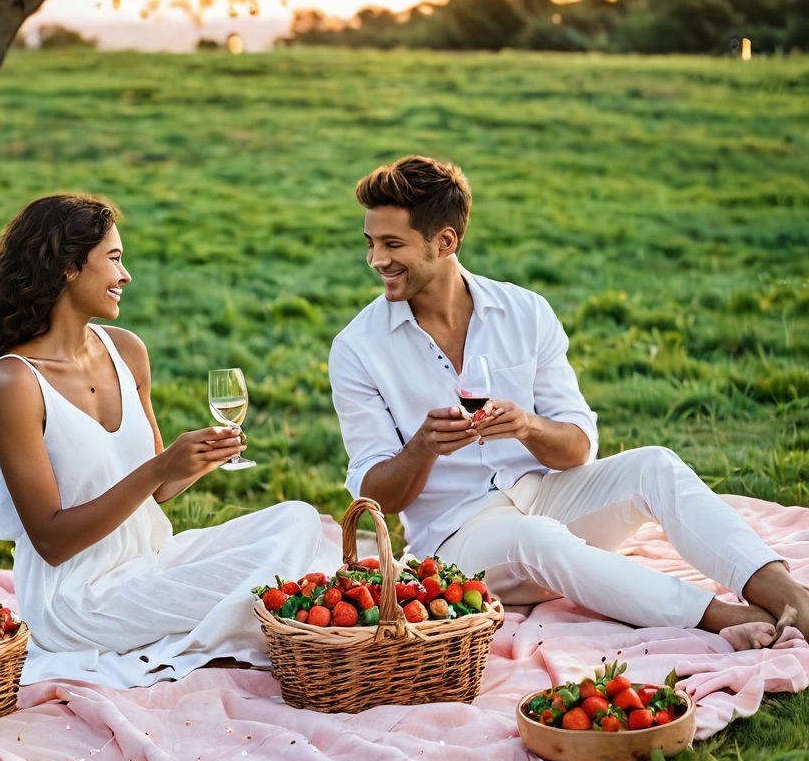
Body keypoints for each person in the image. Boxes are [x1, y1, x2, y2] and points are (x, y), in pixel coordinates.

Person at [329, 155, 803, 650]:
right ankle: (717, 615)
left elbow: (578, 449)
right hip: (458, 541)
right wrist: (423, 448)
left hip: (545, 496)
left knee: (655, 465)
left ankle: (788, 594)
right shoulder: (358, 348)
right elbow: (374, 497)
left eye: (392, 244)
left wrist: (528, 428)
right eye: (371, 243)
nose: (376, 259)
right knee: (535, 538)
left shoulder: (524, 312)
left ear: (444, 241)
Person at [0, 194, 325, 687]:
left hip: (153, 562)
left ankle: (211, 630)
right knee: (278, 575)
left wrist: (194, 462)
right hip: (76, 600)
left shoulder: (128, 351)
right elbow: (51, 540)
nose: (126, 274)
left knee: (299, 522)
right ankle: (203, 645)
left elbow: (157, 493)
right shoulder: (13, 383)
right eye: (113, 259)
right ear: (69, 267)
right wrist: (159, 468)